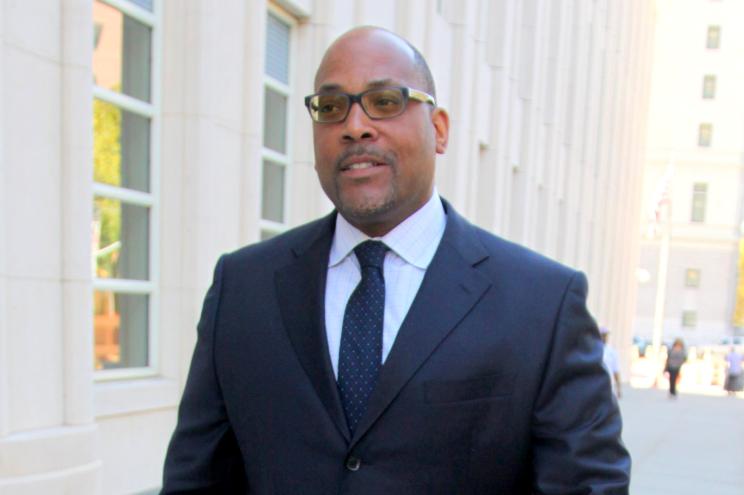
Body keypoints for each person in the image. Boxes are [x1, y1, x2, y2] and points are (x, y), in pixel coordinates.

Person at [161, 27, 630, 494]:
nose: (355, 125)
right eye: (331, 107)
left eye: (385, 101)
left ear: (439, 129)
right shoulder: (242, 288)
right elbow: (196, 480)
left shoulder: (543, 305)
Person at [600, 326, 622, 398]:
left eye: (606, 335)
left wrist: (618, 388)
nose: (605, 337)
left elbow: (616, 371)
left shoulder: (612, 352)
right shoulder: (591, 349)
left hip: (608, 385)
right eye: (603, 335)